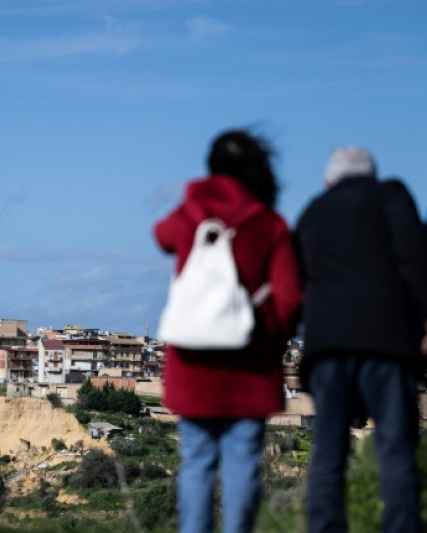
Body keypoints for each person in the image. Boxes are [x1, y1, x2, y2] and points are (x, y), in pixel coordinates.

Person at [154, 130, 302, 533]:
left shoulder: (192, 211)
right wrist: (267, 340)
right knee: (241, 465)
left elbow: (161, 236)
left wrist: (194, 205)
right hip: (250, 365)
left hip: (194, 363)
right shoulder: (269, 223)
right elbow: (290, 299)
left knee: (197, 462)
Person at [295, 147, 427, 533]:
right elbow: (418, 254)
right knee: (395, 449)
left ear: (329, 181)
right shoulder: (391, 197)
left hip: (328, 347)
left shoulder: (314, 212)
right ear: (372, 176)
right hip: (386, 342)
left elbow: (295, 280)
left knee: (328, 452)